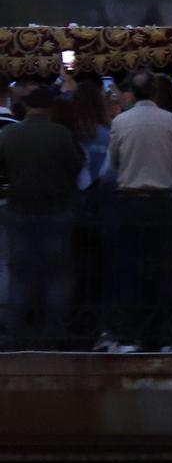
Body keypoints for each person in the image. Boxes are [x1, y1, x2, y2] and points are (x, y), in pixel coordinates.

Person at [105, 70, 172, 349]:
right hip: (163, 202)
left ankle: (133, 331)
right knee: (163, 268)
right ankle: (163, 333)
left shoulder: (120, 121)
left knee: (131, 268)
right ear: (154, 92)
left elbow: (113, 162)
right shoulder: (171, 121)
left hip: (130, 201)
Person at [0, 87, 83, 343]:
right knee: (56, 272)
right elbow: (76, 166)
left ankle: (15, 330)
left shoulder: (9, 135)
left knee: (20, 272)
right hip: (56, 208)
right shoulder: (61, 134)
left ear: (25, 107)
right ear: (49, 108)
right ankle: (54, 331)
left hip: (19, 208)